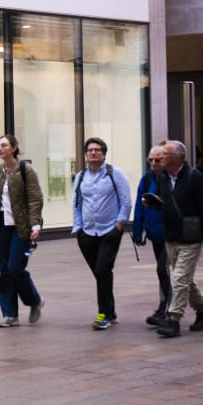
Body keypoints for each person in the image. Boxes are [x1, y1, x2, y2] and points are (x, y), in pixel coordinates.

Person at [153, 140, 203, 338]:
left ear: (177, 157)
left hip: (191, 236)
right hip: (171, 236)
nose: (160, 158)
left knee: (179, 278)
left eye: (164, 154)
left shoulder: (194, 176)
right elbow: (161, 201)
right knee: (184, 278)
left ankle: (173, 319)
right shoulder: (162, 177)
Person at [0, 134, 45, 328]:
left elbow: (35, 198)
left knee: (15, 267)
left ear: (14, 148)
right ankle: (10, 315)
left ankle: (34, 300)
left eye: (4, 145)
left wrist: (35, 225)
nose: (0, 149)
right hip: (1, 227)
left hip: (21, 226)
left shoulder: (26, 170)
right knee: (4, 271)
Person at [71, 137, 131, 330]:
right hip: (87, 232)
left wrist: (119, 226)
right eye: (90, 150)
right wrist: (78, 228)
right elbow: (77, 204)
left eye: (97, 150)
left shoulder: (115, 174)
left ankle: (103, 314)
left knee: (102, 271)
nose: (93, 152)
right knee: (102, 274)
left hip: (109, 231)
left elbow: (126, 201)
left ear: (104, 154)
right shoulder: (81, 177)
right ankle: (111, 311)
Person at [132, 143, 172, 327]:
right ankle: (201, 310)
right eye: (151, 160)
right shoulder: (147, 179)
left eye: (158, 160)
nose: (154, 163)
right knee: (167, 272)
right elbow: (139, 206)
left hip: (171, 234)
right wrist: (137, 231)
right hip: (155, 233)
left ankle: (165, 309)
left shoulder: (171, 179)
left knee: (163, 269)